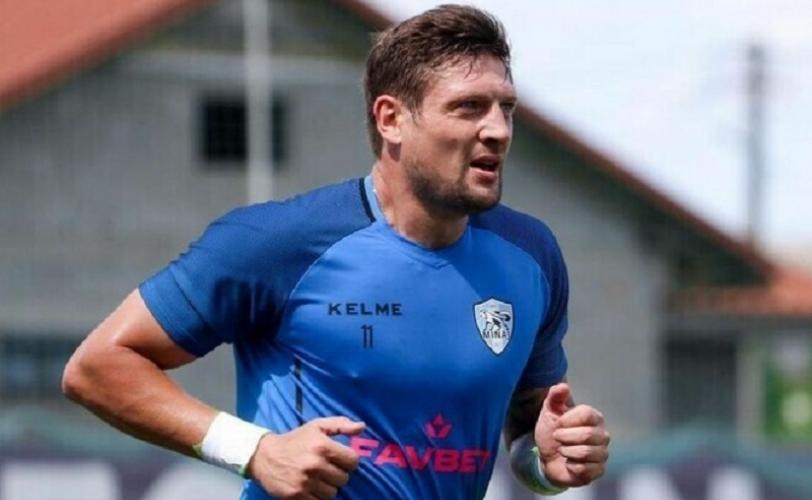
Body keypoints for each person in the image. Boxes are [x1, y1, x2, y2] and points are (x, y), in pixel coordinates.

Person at [62, 4, 610, 499]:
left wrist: (547, 463)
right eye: (469, 107)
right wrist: (254, 450)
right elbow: (98, 367)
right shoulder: (277, 243)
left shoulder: (530, 255)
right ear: (391, 119)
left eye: (505, 108)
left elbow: (527, 433)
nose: (498, 130)